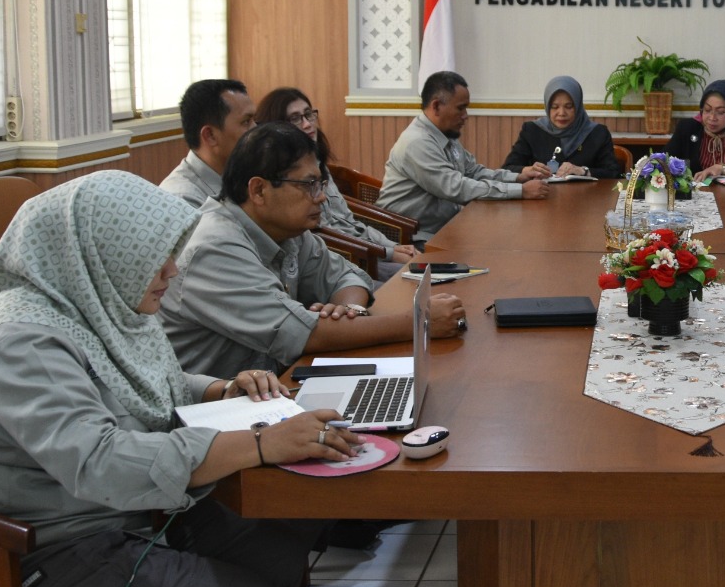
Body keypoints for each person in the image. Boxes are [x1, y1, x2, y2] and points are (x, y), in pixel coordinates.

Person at [0, 171, 362, 587]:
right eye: (153, 257)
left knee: (276, 547)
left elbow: (143, 381)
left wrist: (219, 390)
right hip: (41, 553)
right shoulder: (17, 341)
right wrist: (256, 444)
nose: (170, 271)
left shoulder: (93, 303)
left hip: (125, 518)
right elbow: (99, 462)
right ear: (99, 254)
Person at [160, 122, 463, 376]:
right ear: (259, 190)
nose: (320, 198)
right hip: (220, 411)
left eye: (320, 184)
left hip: (276, 384)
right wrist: (419, 321)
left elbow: (348, 275)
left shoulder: (285, 229)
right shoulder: (214, 246)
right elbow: (302, 334)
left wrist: (348, 309)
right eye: (308, 185)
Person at [255, 86, 418, 281]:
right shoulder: (285, 179)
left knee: (422, 267)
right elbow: (323, 233)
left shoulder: (317, 163)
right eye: (296, 118)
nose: (307, 124)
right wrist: (387, 252)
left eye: (309, 114)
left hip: (366, 250)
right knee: (411, 276)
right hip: (343, 257)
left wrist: (392, 247)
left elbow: (349, 222)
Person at [379, 70, 551, 242]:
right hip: (410, 237)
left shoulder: (444, 133)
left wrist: (518, 177)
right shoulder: (417, 142)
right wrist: (521, 191)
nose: (465, 116)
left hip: (444, 228)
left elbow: (472, 171)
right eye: (460, 108)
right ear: (437, 106)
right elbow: (456, 187)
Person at [502, 76, 623, 179]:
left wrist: (583, 171)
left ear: (578, 106)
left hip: (586, 200)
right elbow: (507, 169)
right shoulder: (532, 130)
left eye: (569, 106)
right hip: (542, 200)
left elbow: (613, 173)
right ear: (547, 107)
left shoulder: (597, 133)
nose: (561, 113)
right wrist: (528, 170)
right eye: (555, 107)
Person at [161, 78, 255, 207]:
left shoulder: (246, 174)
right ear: (210, 136)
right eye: (246, 122)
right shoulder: (182, 200)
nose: (256, 129)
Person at [664, 79, 725, 182]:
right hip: (696, 193)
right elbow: (664, 161)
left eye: (720, 112)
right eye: (707, 110)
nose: (712, 118)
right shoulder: (687, 128)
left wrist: (722, 168)